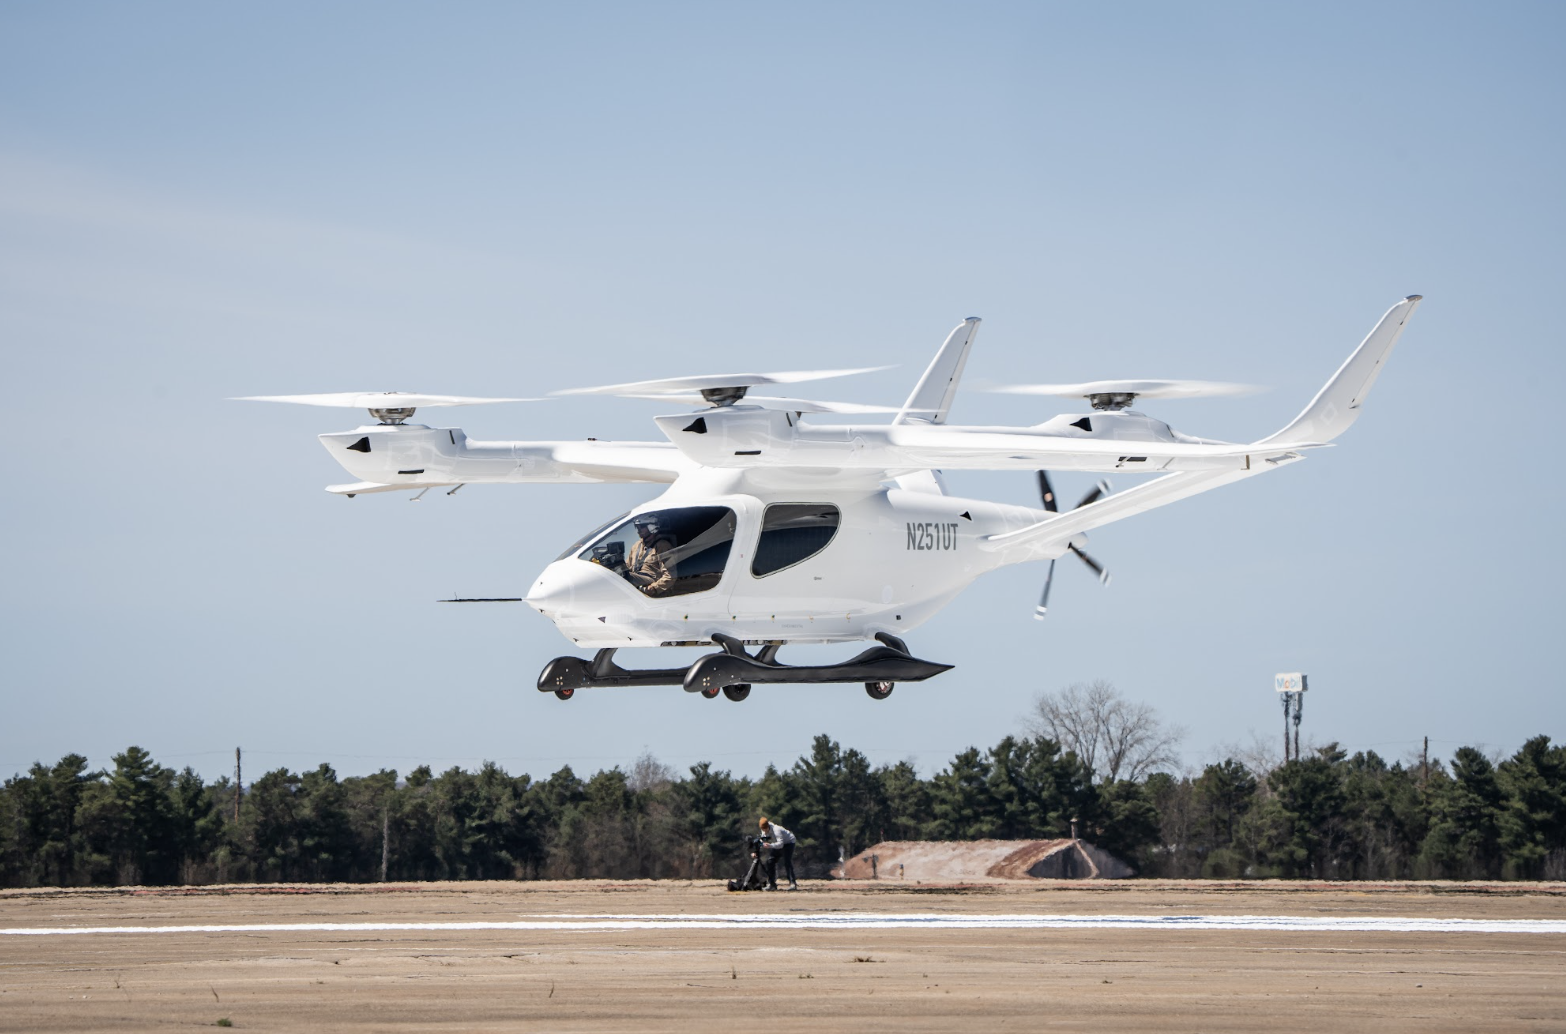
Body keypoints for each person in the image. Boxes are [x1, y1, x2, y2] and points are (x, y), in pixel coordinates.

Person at [624, 515, 675, 596]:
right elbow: (627, 567)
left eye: (641, 527)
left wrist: (654, 588)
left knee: (625, 577)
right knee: (619, 575)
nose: (638, 530)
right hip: (636, 582)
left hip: (651, 582)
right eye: (637, 527)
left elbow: (670, 576)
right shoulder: (636, 546)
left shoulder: (662, 545)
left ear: (652, 527)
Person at [758, 817, 797, 891]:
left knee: (787, 862)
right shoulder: (763, 830)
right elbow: (763, 840)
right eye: (762, 830)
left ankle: (792, 884)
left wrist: (770, 845)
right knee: (770, 861)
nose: (764, 831)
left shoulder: (777, 830)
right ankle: (772, 884)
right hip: (777, 844)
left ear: (768, 826)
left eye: (765, 829)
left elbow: (781, 845)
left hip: (789, 843)